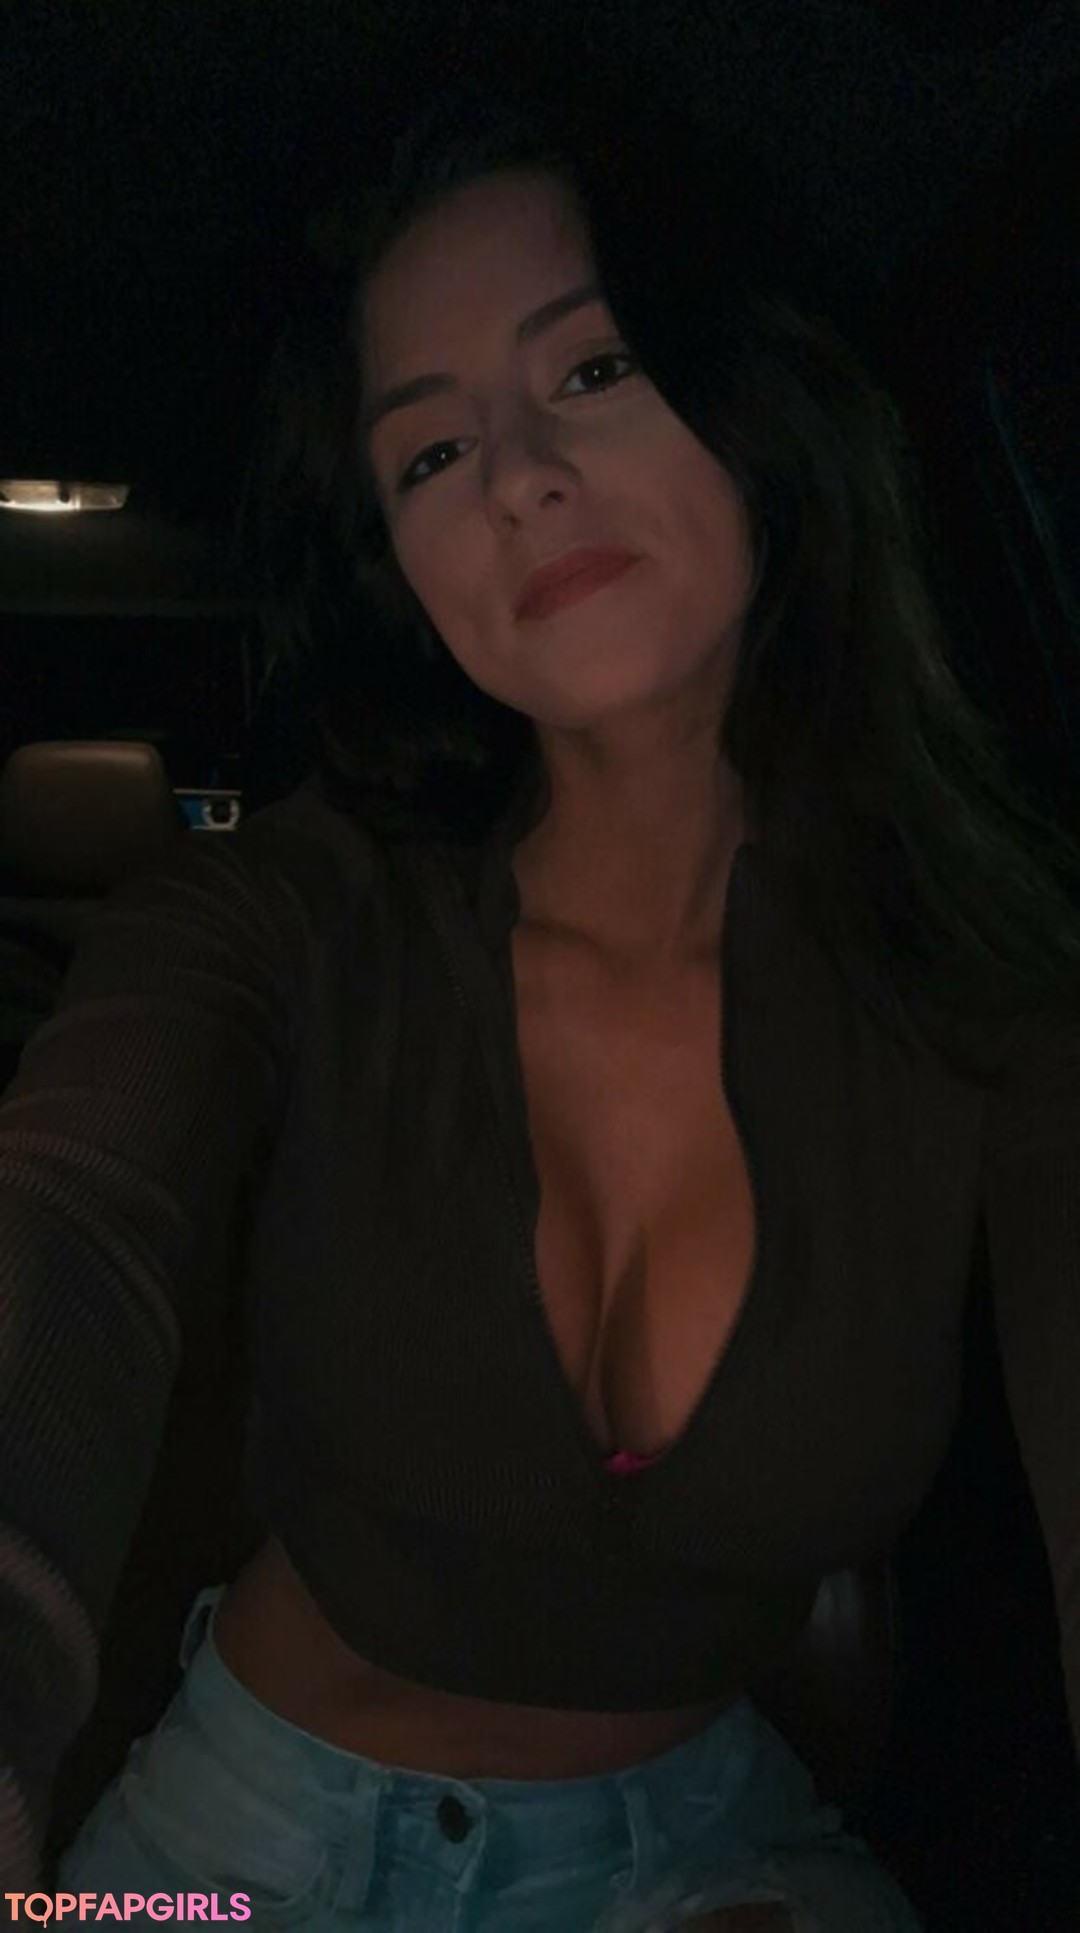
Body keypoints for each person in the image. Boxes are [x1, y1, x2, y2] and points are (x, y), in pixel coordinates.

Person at [3, 68, 1079, 1931]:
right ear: (402, 569)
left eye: (591, 367)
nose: (513, 475)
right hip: (229, 1861)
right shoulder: (292, 909)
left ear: (759, 399)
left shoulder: (991, 972)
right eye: (428, 455)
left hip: (704, 1860)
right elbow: (71, 1224)